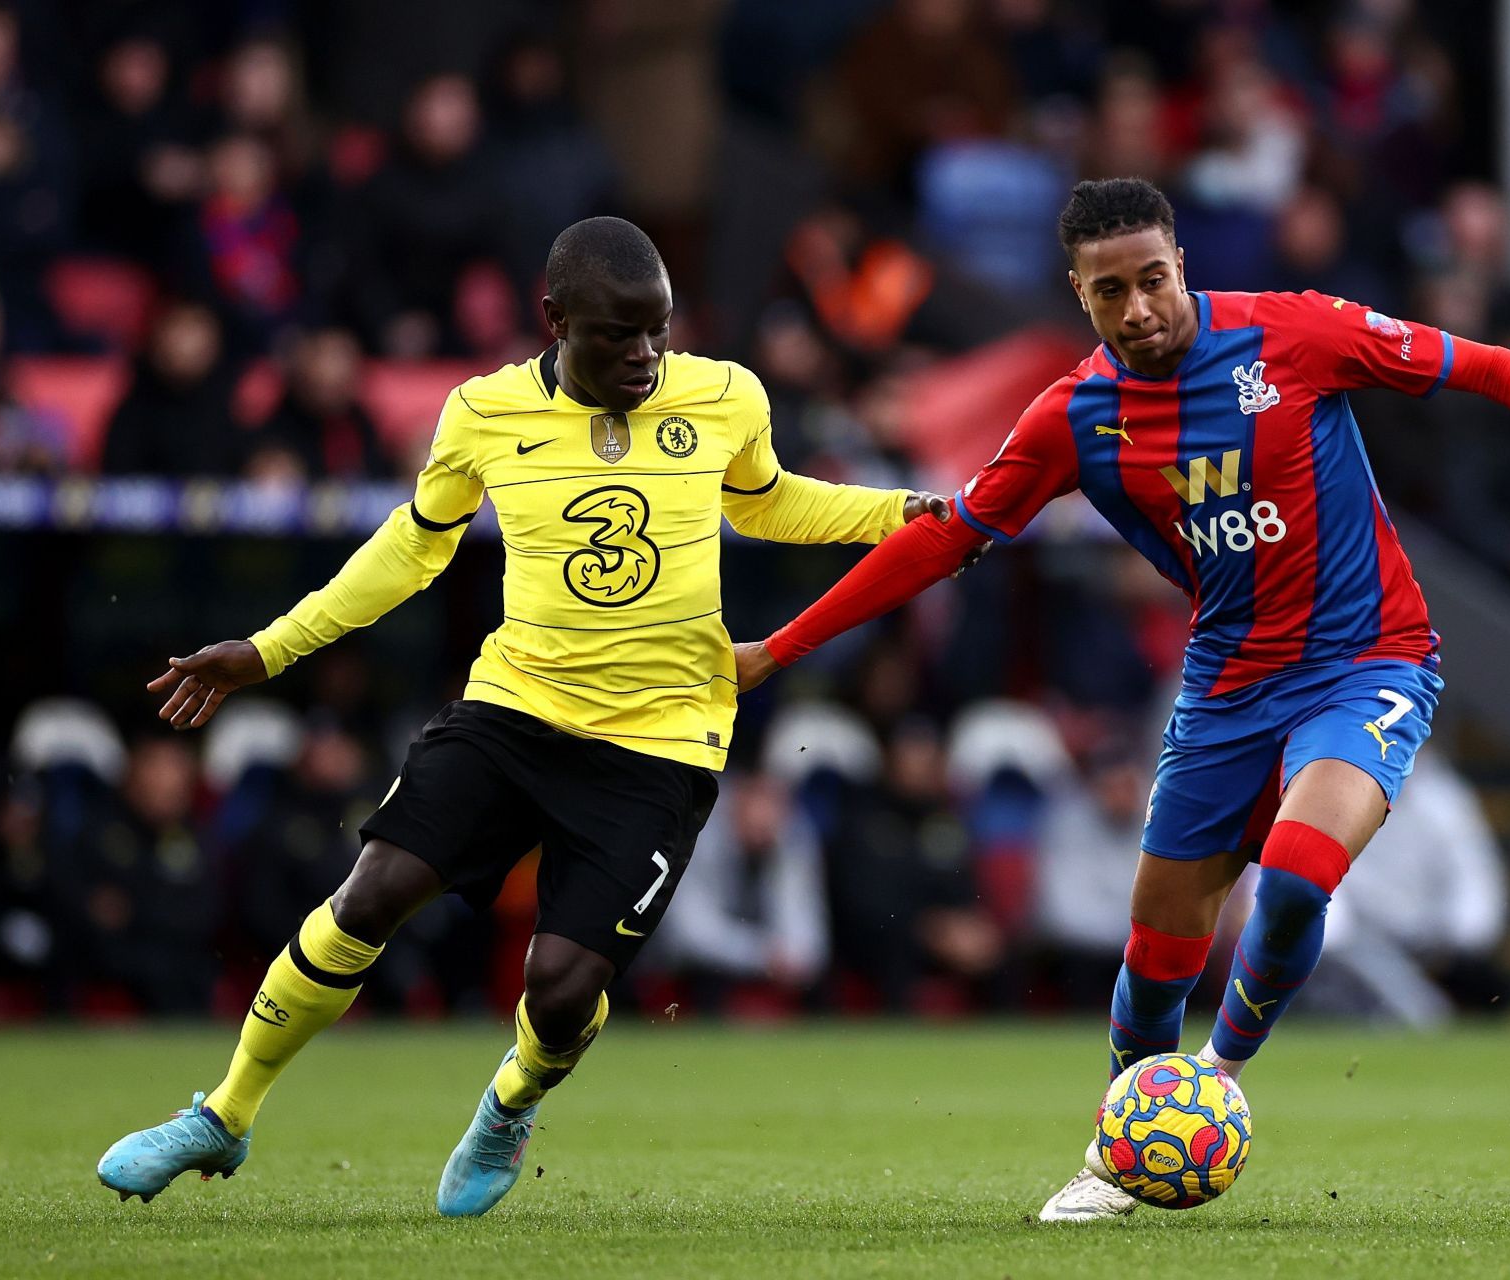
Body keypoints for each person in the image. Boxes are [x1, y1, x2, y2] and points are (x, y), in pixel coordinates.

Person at [734, 178, 1510, 1221]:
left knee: (1297, 875)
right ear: (1080, 295)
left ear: (1179, 267)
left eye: (1153, 280)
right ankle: (1123, 1139)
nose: (1139, 309)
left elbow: (1483, 363)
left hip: (1369, 661)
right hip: (1225, 686)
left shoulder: (1293, 336)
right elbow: (947, 538)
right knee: (1157, 950)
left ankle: (1214, 1079)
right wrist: (783, 645)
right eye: (1109, 292)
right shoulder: (1074, 416)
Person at [95, 216, 963, 1217]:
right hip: (513, 709)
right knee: (371, 892)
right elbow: (410, 551)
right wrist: (269, 647)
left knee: (558, 987)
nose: (645, 355)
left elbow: (768, 503)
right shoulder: (484, 411)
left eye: (659, 332)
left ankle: (511, 1101)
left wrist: (899, 511)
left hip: (661, 743)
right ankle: (226, 1111)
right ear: (553, 320)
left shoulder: (726, 394)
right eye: (619, 334)